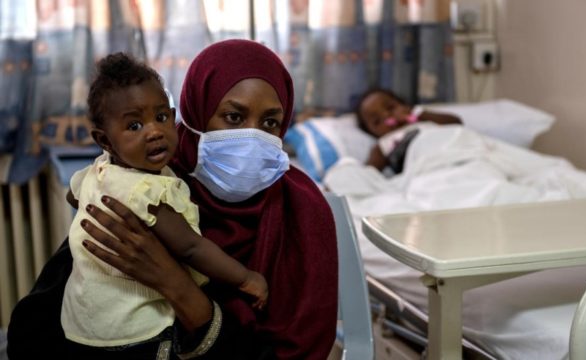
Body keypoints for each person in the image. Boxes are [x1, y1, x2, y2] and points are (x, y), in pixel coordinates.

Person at [8, 39, 338, 360]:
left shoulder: (303, 212)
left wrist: (176, 285)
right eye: (234, 117)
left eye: (270, 123)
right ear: (197, 112)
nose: (253, 136)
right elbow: (35, 329)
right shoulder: (145, 180)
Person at [59, 52, 269, 353]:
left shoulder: (101, 170)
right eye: (134, 126)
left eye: (161, 117)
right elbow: (191, 247)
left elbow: (72, 194)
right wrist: (246, 278)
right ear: (105, 141)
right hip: (137, 330)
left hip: (85, 323)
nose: (155, 131)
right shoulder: (145, 190)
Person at [355, 88, 462, 171]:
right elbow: (369, 174)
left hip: (456, 151)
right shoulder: (384, 143)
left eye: (391, 108)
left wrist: (418, 114)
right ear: (372, 132)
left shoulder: (423, 120)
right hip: (425, 169)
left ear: (404, 106)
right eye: (377, 121)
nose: (387, 115)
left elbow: (456, 123)